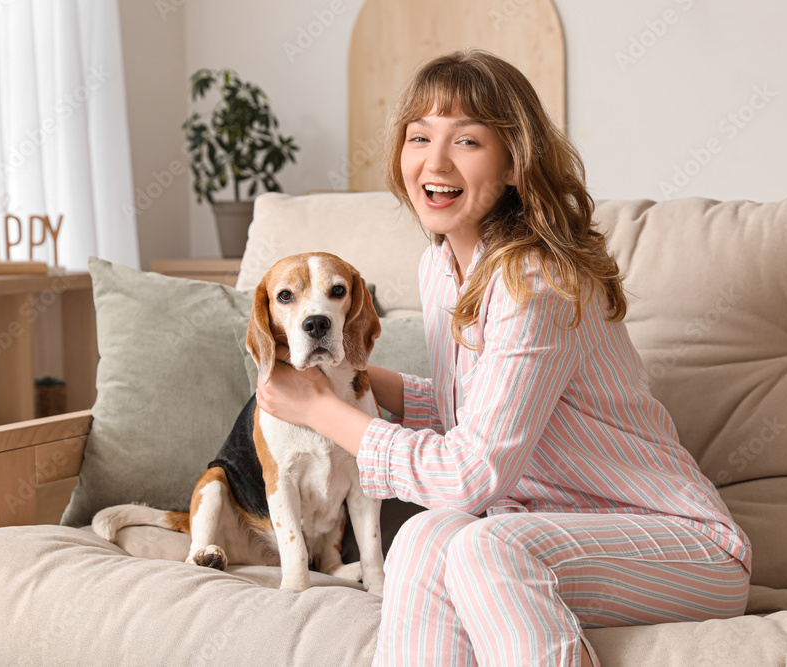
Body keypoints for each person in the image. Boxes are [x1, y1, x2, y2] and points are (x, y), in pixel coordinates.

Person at [256, 50, 751, 667]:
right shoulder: (440, 268)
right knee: (421, 538)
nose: (434, 162)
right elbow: (481, 406)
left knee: (484, 547)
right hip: (540, 527)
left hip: (681, 545)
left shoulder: (534, 282)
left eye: (465, 140)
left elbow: (473, 473)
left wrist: (328, 415)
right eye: (419, 138)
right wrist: (353, 378)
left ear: (515, 161)